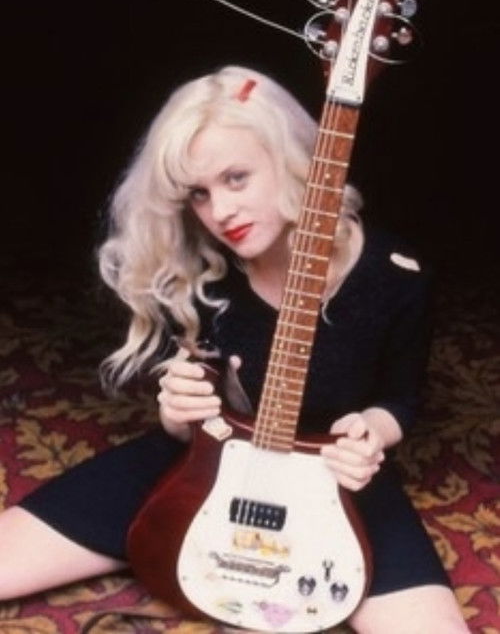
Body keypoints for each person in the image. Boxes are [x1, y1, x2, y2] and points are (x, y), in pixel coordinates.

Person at [0, 65, 469, 633]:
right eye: (199, 193)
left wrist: (371, 431)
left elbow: (400, 399)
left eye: (236, 178)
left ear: (295, 160)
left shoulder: (395, 276)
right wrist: (177, 410)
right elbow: (189, 392)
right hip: (208, 458)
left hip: (337, 477)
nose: (220, 212)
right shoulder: (203, 267)